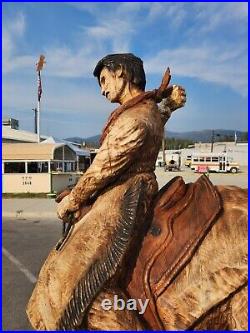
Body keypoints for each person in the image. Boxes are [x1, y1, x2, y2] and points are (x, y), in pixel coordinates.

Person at [26, 53, 186, 330]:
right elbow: (156, 118)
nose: (102, 90)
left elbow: (103, 167)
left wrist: (72, 200)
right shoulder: (143, 112)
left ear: (121, 73)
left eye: (104, 80)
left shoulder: (134, 118)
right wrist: (169, 105)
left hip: (123, 197)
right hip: (125, 190)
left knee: (72, 281)